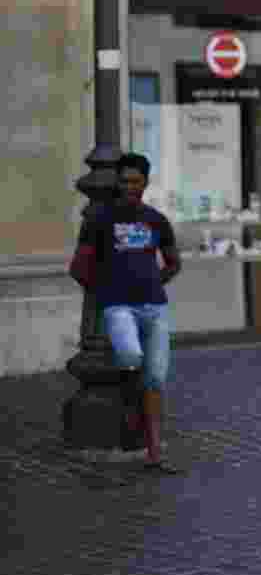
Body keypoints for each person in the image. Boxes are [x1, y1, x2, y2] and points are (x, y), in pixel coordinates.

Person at [69, 152, 183, 474]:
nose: (129, 187)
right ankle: (129, 409)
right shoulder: (100, 219)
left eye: (135, 181)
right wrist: (107, 292)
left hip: (154, 308)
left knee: (156, 379)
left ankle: (154, 453)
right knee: (131, 356)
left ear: (145, 183)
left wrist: (152, 282)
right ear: (117, 183)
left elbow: (174, 262)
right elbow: (78, 267)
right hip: (118, 306)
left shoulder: (157, 220)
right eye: (124, 181)